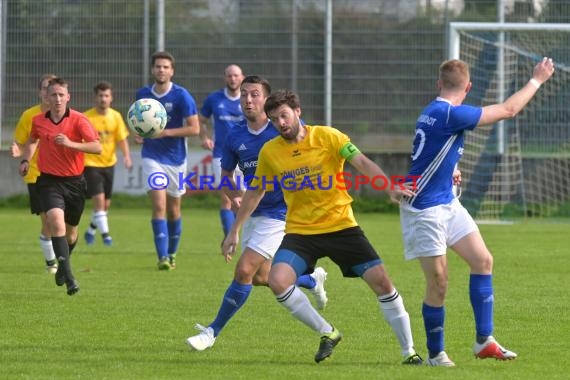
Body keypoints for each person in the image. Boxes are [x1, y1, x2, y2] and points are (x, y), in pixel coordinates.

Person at [222, 89, 423, 365]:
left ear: (297, 112)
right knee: (278, 281)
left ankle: (409, 352)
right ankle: (327, 332)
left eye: (284, 115)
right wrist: (234, 230)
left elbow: (361, 161)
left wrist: (388, 187)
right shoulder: (271, 152)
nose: (280, 123)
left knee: (383, 284)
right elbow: (255, 192)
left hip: (341, 226)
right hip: (301, 233)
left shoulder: (328, 136)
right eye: (274, 119)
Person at [399, 57, 555, 366]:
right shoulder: (449, 113)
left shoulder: (433, 112)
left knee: (483, 260)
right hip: (424, 211)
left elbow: (433, 150)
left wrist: (451, 169)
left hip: (447, 202)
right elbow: (509, 109)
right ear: (468, 87)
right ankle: (435, 354)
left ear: (438, 83)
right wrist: (537, 80)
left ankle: (484, 340)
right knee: (439, 283)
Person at [186, 76, 328, 351]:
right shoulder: (234, 135)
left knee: (244, 271)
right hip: (254, 211)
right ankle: (312, 279)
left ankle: (211, 332)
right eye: (243, 96)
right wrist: (233, 195)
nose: (248, 100)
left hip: (281, 213)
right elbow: (225, 174)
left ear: (267, 100)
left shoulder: (282, 132)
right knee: (263, 277)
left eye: (254, 95)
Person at [18, 77, 102, 296]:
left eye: (61, 95)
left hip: (74, 183)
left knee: (72, 234)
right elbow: (32, 141)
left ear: (68, 97)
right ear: (46, 97)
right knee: (55, 221)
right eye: (53, 94)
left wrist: (70, 143)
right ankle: (70, 277)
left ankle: (63, 265)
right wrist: (26, 160)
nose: (57, 99)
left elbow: (97, 147)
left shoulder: (79, 120)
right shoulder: (38, 120)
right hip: (48, 181)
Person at [135, 51, 200, 270]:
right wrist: (138, 133)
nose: (161, 70)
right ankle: (162, 257)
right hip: (152, 157)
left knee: (174, 210)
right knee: (159, 205)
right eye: (158, 66)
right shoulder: (143, 94)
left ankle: (172, 253)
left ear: (172, 71)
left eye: (165, 67)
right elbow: (137, 123)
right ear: (152, 70)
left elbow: (195, 128)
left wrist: (166, 133)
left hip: (176, 159)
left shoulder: (182, 96)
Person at [10, 73, 58, 273]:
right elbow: (20, 142)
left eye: (53, 89)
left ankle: (60, 253)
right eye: (46, 88)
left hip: (60, 173)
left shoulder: (65, 115)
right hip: (35, 173)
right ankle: (51, 261)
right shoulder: (29, 116)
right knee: (47, 219)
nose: (50, 93)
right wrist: (17, 151)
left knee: (61, 220)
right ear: (40, 92)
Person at [198, 64, 245, 239]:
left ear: (242, 77)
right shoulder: (214, 99)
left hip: (245, 156)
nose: (233, 79)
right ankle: (229, 236)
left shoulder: (249, 100)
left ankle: (240, 234)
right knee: (227, 197)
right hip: (221, 155)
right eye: (229, 76)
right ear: (225, 78)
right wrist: (204, 137)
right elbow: (200, 120)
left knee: (245, 199)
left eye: (236, 75)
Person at [83, 81, 132, 246]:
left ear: (111, 98)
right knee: (99, 200)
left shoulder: (116, 116)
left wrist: (127, 156)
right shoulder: (86, 117)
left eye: (106, 96)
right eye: (100, 96)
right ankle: (106, 236)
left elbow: (122, 139)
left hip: (109, 163)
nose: (103, 99)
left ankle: (90, 230)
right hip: (90, 163)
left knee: (105, 205)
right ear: (94, 98)